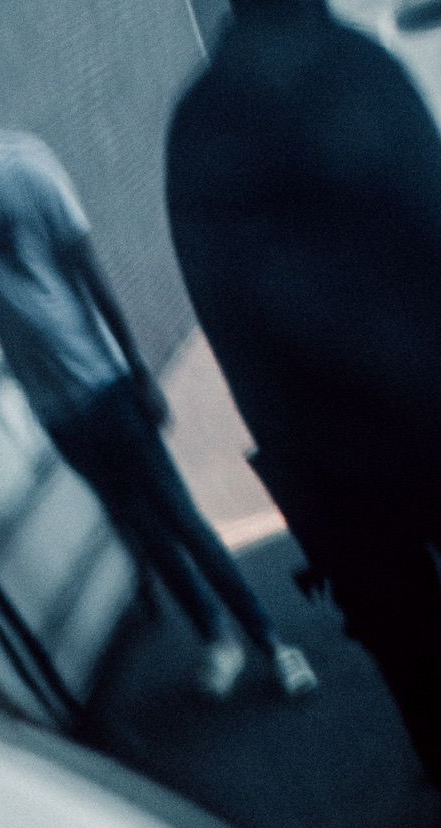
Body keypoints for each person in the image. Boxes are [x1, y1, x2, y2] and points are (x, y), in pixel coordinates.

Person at [0, 40, 316, 703]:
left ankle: (272, 641)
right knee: (147, 533)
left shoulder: (27, 171)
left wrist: (138, 372)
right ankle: (217, 637)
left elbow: (87, 272)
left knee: (181, 519)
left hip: (105, 388)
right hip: (57, 414)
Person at [168, 0, 441, 776]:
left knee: (422, 679)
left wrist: (307, 495)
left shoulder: (198, 125)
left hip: (340, 476)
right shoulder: (358, 69)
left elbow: (234, 343)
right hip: (430, 420)